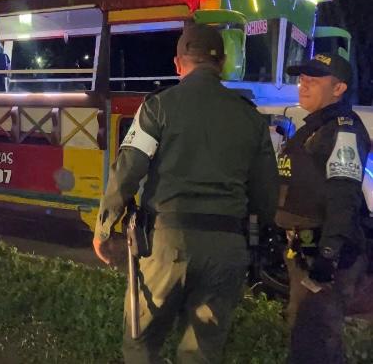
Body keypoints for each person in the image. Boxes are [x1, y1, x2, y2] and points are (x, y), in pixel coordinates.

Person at [93, 24, 279, 363]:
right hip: (226, 248)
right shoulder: (250, 118)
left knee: (141, 343)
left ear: (179, 63)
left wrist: (104, 227)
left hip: (167, 244)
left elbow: (127, 171)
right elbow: (266, 194)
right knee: (201, 353)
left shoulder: (158, 107)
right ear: (222, 63)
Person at [276, 52, 370, 364]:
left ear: (339, 88)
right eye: (302, 79)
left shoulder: (342, 130)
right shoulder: (315, 128)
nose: (302, 85)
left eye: (313, 80)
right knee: (312, 341)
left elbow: (344, 195)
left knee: (314, 345)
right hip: (307, 251)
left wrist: (328, 255)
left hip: (325, 257)